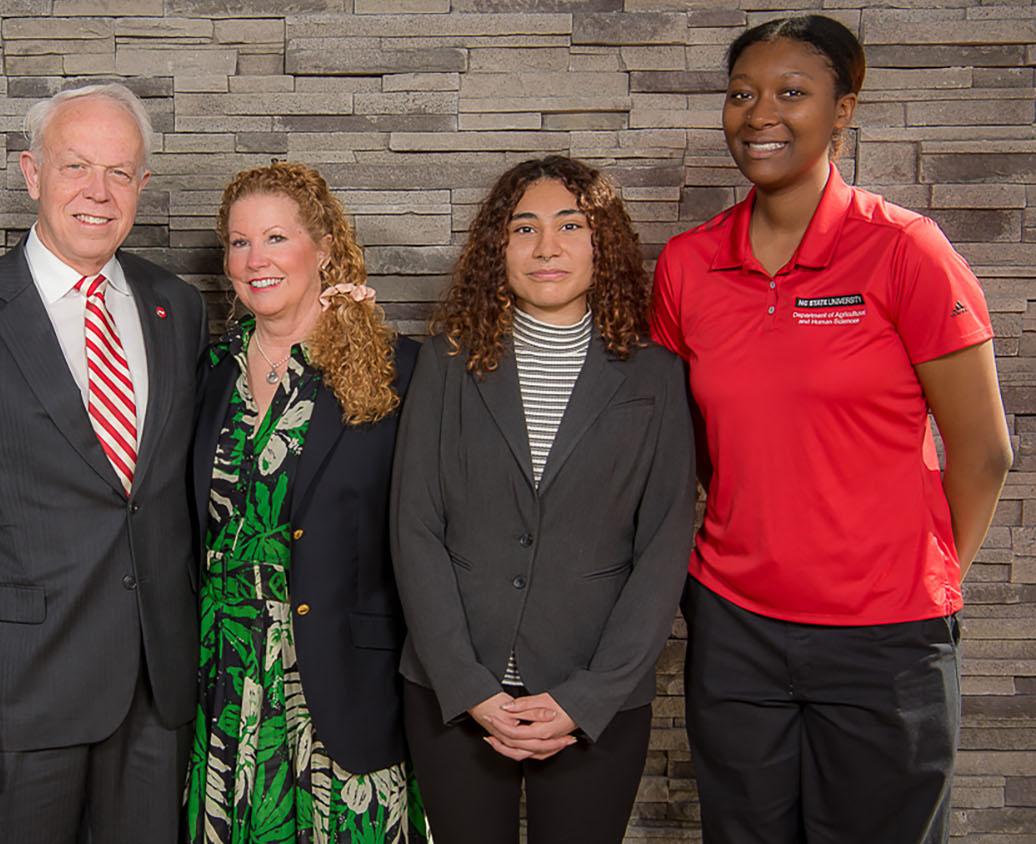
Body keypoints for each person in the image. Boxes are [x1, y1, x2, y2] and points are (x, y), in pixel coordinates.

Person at [651, 15, 1013, 843]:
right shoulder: (688, 266)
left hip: (886, 639)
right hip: (734, 627)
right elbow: (688, 443)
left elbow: (986, 450)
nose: (759, 114)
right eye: (741, 94)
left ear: (844, 109)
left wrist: (913, 580)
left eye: (791, 93)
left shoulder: (905, 251)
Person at [0, 83, 206, 843]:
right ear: (32, 174)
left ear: (143, 187)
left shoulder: (179, 306)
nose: (99, 193)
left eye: (121, 173)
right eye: (76, 167)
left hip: (156, 694)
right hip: (14, 696)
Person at [390, 155, 696, 844]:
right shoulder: (445, 365)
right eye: (524, 228)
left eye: (570, 225)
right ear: (498, 247)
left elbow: (662, 551)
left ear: (603, 243)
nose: (547, 247)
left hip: (597, 699)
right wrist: (468, 687)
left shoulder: (657, 377)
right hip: (455, 691)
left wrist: (586, 698)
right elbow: (415, 529)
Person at [184, 161, 428, 843]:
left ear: (323, 248)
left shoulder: (394, 366)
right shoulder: (207, 373)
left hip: (343, 681)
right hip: (225, 678)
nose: (255, 260)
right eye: (238, 242)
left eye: (276, 238)